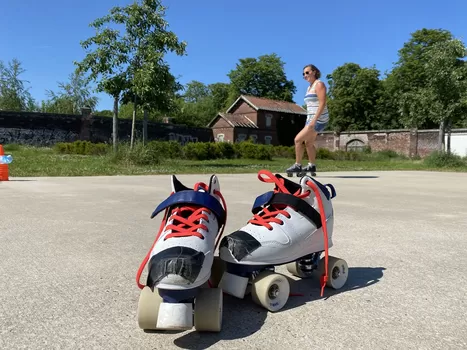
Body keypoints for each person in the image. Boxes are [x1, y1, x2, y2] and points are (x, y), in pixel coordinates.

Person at [286, 64, 329, 175]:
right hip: (311, 118)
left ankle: (298, 165)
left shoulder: (319, 84)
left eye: (307, 72)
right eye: (303, 74)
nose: (305, 75)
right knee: (308, 142)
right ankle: (311, 166)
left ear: (314, 72)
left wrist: (314, 120)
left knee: (297, 140)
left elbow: (323, 103)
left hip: (318, 119)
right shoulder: (309, 87)